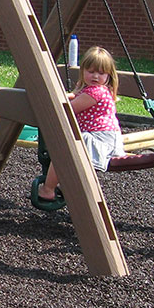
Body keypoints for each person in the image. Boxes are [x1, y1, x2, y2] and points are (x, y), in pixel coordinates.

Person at [36, 46, 125, 203]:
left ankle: (48, 189)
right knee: (70, 153)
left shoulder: (96, 92)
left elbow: (70, 109)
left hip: (98, 139)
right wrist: (64, 94)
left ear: (109, 75)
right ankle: (67, 186)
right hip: (104, 137)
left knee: (63, 153)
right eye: (91, 71)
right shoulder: (98, 90)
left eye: (101, 73)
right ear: (83, 70)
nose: (95, 76)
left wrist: (50, 103)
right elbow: (75, 96)